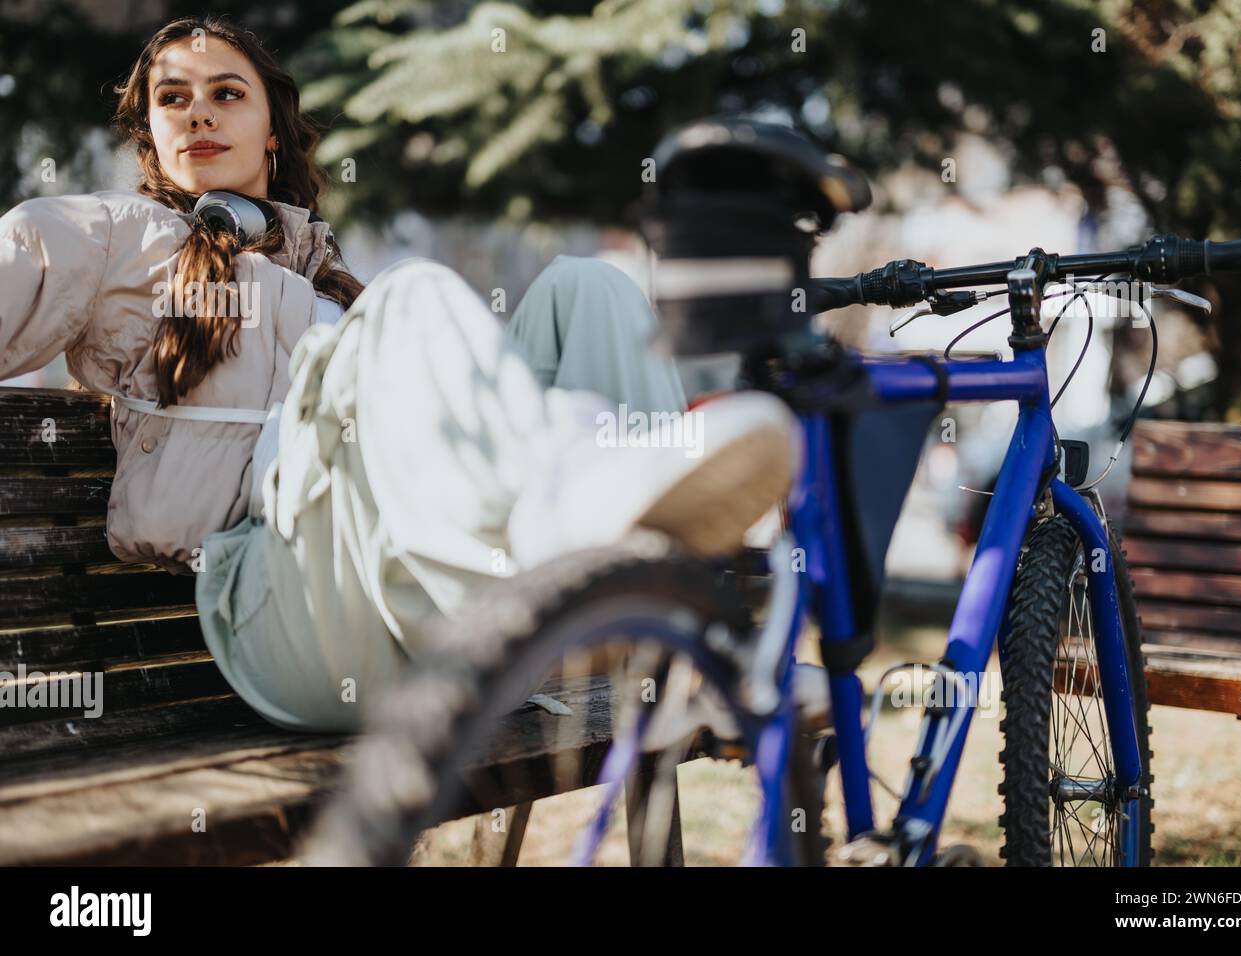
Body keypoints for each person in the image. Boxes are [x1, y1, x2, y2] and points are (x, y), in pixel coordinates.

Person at [0, 16, 800, 732]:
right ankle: (572, 533)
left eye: (226, 92)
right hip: (293, 616)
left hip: (421, 608)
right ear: (149, 129)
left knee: (588, 287)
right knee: (413, 292)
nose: (199, 111)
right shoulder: (118, 237)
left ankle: (660, 581)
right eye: (173, 97)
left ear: (273, 129)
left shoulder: (332, 283)